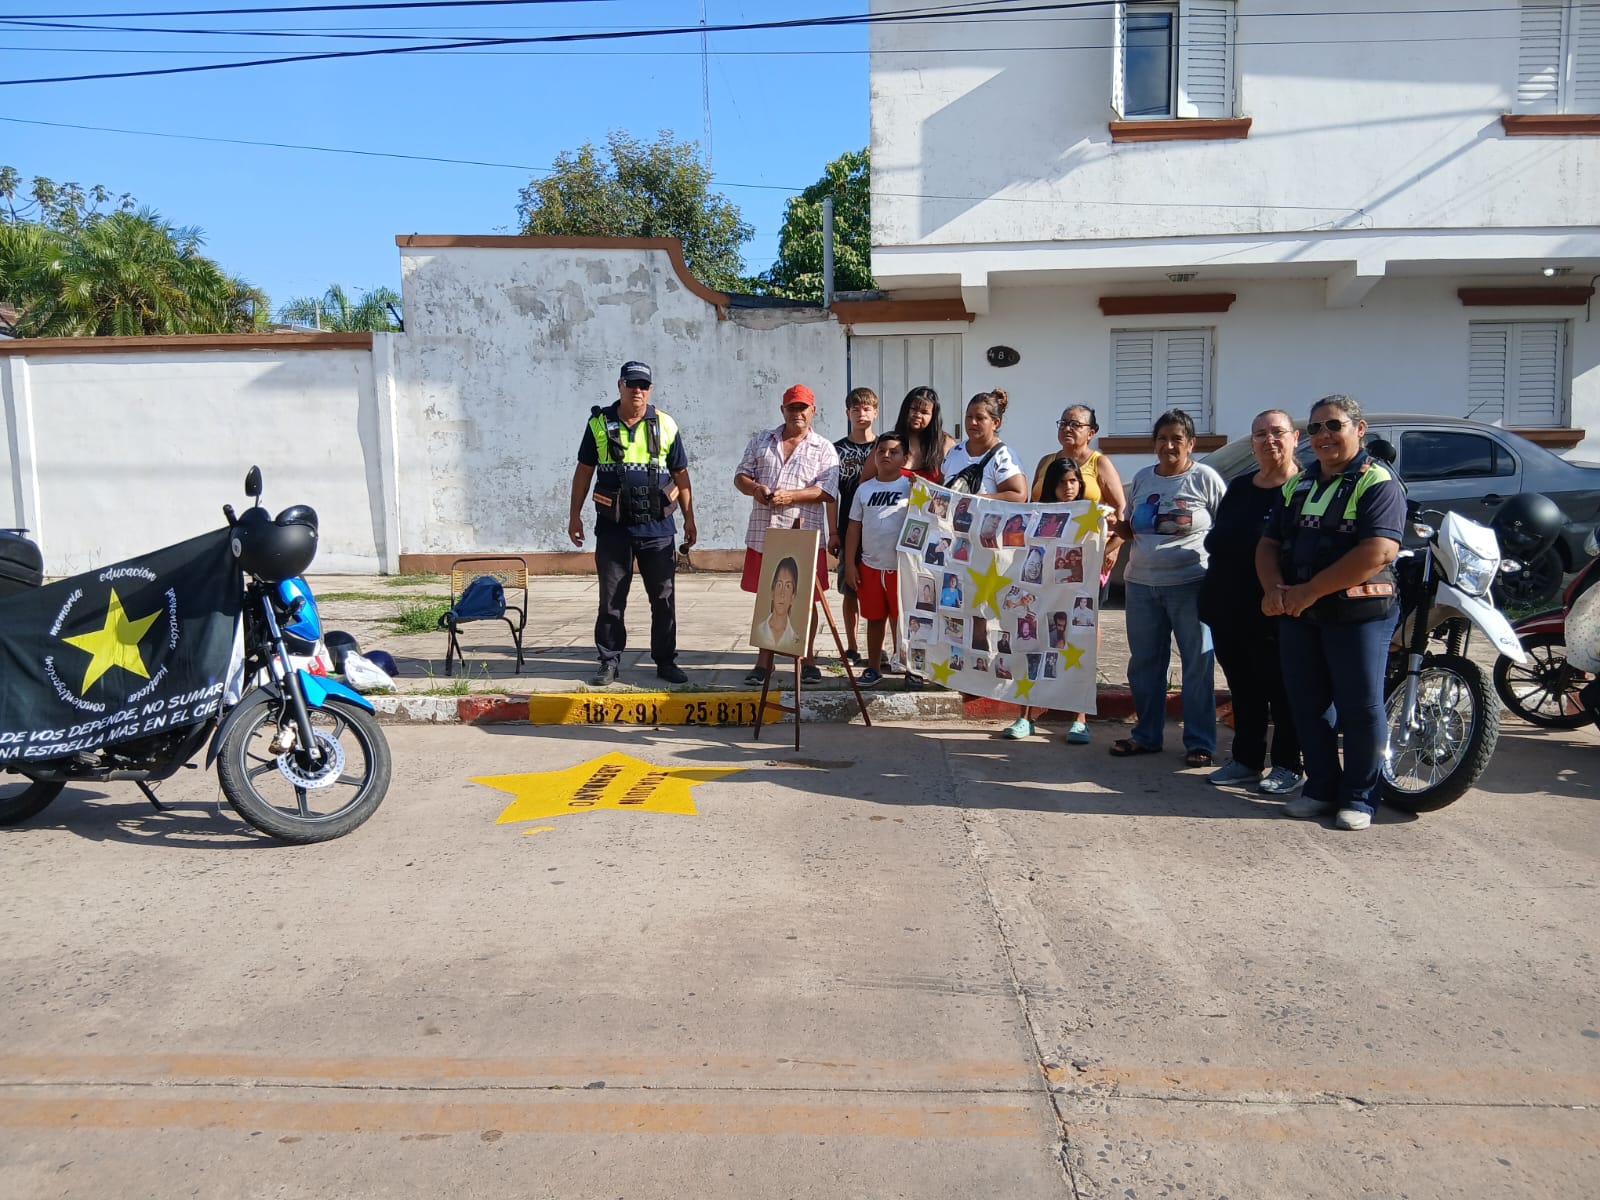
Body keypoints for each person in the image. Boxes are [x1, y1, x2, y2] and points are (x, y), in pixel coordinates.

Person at [1257, 395, 1406, 832]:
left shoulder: (1378, 483)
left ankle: (1360, 796)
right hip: (1300, 612)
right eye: (1317, 428)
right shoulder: (1298, 485)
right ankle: (1321, 788)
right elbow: (1268, 544)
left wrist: (1308, 592)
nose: (1324, 435)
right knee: (1307, 704)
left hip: (1359, 613)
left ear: (1358, 430)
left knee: (1359, 707)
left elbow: (1378, 551)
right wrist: (1273, 590)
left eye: (1334, 426)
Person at [568, 359, 696, 687]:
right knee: (611, 599)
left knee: (664, 599)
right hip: (614, 529)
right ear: (620, 386)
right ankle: (608, 661)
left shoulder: (666, 424)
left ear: (650, 390)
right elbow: (584, 472)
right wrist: (574, 516)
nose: (637, 390)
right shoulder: (598, 423)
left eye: (644, 385)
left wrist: (690, 519)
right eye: (632, 384)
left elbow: (680, 475)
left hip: (657, 529)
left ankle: (665, 661)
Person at [1199, 409, 1306, 796]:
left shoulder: (1304, 488)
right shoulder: (1241, 487)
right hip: (1229, 605)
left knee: (1283, 688)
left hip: (1278, 609)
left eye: (1277, 432)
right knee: (1243, 688)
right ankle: (1245, 760)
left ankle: (1288, 764)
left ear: (1294, 438)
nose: (1268, 441)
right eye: (1260, 434)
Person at [1110, 409, 1226, 766]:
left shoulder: (1205, 478)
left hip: (1191, 585)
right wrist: (1112, 525)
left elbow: (1228, 527)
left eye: (1177, 438)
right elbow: (1131, 527)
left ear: (1191, 443)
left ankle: (1199, 742)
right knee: (1144, 663)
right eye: (1162, 438)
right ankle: (1146, 735)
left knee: (1197, 663)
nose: (1169, 445)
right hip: (1142, 586)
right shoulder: (1144, 479)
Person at [734, 384, 840, 686]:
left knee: (807, 599)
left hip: (804, 534)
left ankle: (807, 660)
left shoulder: (824, 448)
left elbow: (826, 491)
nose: (798, 413)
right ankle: (763, 662)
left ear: (813, 411)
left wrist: (790, 497)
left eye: (803, 407)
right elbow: (740, 476)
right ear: (783, 410)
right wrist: (757, 489)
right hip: (764, 534)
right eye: (792, 407)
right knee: (768, 598)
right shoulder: (761, 440)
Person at [1031, 404, 1127, 589]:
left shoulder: (1099, 463)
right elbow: (1032, 507)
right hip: (1050, 556)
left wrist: (1112, 548)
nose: (1067, 428)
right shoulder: (1046, 461)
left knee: (1082, 615)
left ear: (1091, 433)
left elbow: (1122, 509)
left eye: (1075, 424)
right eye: (1063, 423)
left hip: (1090, 555)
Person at [843, 432, 912, 687]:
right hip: (870, 566)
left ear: (905, 458)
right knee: (874, 619)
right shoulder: (865, 488)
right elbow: (853, 528)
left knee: (902, 621)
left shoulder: (912, 488)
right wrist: (850, 564)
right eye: (881, 451)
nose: (885, 456)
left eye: (893, 452)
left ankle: (907, 667)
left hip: (901, 568)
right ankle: (873, 667)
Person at [833, 387, 879, 667]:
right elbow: (831, 494)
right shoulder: (836, 449)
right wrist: (834, 532)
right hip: (848, 528)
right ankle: (851, 646)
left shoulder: (885, 447)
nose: (861, 414)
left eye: (866, 408)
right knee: (849, 590)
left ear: (875, 411)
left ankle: (879, 647)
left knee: (878, 593)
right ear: (847, 413)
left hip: (879, 530)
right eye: (856, 409)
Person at [941, 390, 1027, 500]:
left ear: (995, 423)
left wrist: (974, 500)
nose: (973, 422)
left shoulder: (1004, 457)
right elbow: (940, 487)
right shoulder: (953, 453)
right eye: (969, 417)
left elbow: (1019, 496)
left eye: (980, 418)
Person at [894, 386, 955, 482]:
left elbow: (953, 485)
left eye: (924, 412)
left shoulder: (945, 444)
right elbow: (867, 483)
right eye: (914, 409)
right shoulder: (889, 442)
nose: (918, 415)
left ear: (933, 416)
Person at [756, 556, 806, 656]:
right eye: (779, 585)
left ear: (793, 595)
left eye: (788, 586)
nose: (782, 593)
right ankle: (764, 660)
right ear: (772, 591)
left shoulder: (795, 638)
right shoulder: (759, 631)